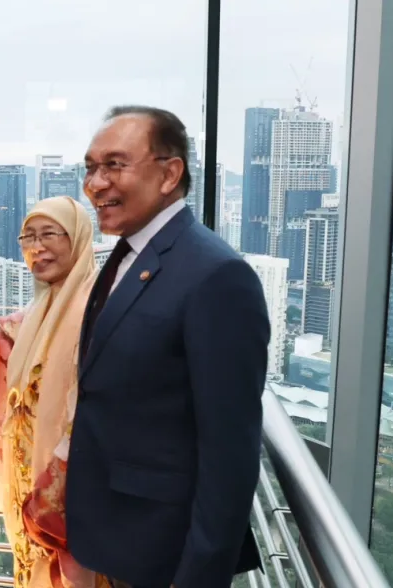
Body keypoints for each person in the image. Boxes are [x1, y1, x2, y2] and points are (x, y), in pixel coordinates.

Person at [67, 106, 269, 588]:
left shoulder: (216, 275)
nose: (95, 184)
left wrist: (199, 576)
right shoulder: (128, 252)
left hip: (165, 554)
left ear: (169, 174)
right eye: (90, 168)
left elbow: (230, 452)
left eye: (114, 165)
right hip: (119, 538)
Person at [0, 196, 105, 588]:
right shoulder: (46, 306)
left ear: (78, 238)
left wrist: (55, 487)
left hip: (69, 488)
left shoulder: (101, 310)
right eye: (28, 238)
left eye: (49, 235)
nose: (37, 248)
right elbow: (8, 328)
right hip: (29, 485)